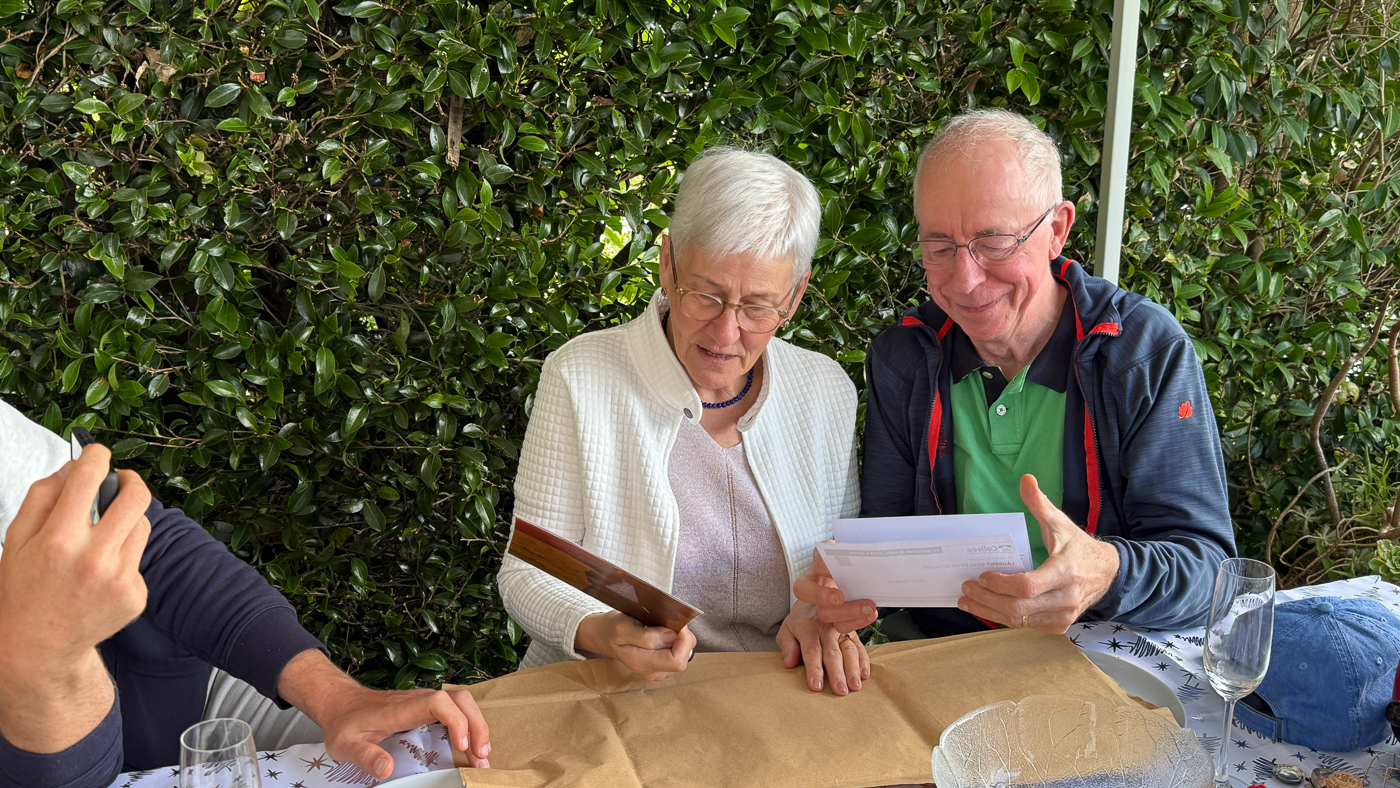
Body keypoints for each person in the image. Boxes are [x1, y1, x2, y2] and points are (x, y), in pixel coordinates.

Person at [795, 109, 1236, 639]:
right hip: (951, 654)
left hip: (1105, 650)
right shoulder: (903, 358)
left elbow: (1208, 571)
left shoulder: (1140, 351)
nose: (965, 280)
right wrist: (839, 596)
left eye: (995, 242)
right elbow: (891, 550)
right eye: (939, 247)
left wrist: (1107, 573)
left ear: (1057, 230)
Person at [498, 148, 866, 695]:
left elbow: (838, 565)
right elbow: (529, 571)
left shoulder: (825, 389)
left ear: (796, 295)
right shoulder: (580, 376)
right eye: (706, 296)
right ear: (667, 263)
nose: (725, 334)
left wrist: (821, 615)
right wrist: (602, 630)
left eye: (758, 307)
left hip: (779, 691)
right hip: (612, 691)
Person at [0, 399, 491, 788]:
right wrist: (47, 662)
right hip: (67, 757)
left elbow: (161, 551)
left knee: (438, 762)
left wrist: (338, 698)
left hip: (192, 694)